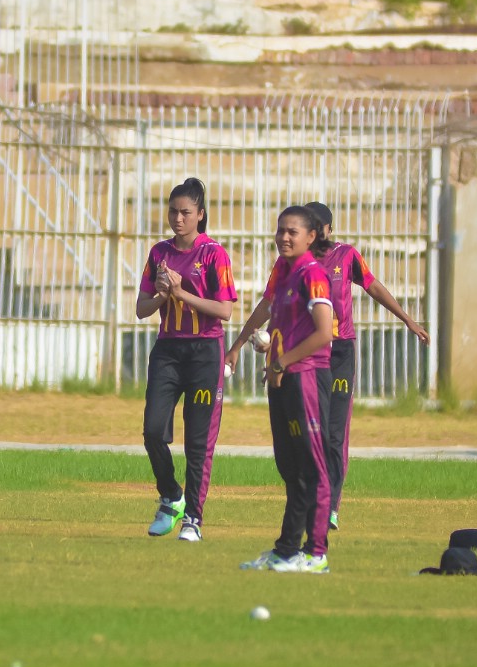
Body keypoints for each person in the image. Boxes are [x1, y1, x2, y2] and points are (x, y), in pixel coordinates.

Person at [225, 201, 429, 532]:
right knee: (304, 437)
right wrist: (237, 345)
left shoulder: (346, 256)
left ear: (326, 231)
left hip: (339, 353)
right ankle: (305, 508)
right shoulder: (289, 265)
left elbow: (374, 286)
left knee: (334, 433)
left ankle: (330, 507)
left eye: (318, 229)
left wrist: (408, 319)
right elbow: (267, 305)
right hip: (304, 356)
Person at [134, 178, 237, 541]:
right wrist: (163, 296)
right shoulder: (159, 253)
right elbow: (141, 309)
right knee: (152, 430)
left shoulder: (214, 254)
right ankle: (171, 496)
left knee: (198, 442)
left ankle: (193, 518)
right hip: (168, 351)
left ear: (200, 215)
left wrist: (181, 292)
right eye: (173, 212)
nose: (178, 219)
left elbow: (224, 310)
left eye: (186, 212)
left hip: (204, 353)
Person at [238, 206, 339, 574]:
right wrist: (269, 355)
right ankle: (286, 550)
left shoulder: (313, 274)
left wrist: (282, 362)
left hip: (307, 377)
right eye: (280, 230)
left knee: (313, 467)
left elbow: (324, 333)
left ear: (311, 237)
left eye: (292, 231)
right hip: (282, 378)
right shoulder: (284, 271)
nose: (283, 237)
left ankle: (316, 553)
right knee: (291, 467)